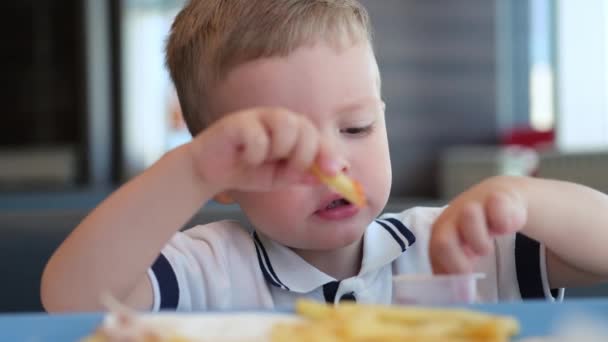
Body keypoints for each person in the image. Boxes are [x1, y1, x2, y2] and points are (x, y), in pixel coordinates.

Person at [41, 0, 608, 312]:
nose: (331, 165)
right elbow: (71, 300)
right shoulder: (207, 270)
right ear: (226, 179)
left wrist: (521, 199)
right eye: (286, 154)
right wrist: (190, 169)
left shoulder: (456, 248)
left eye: (357, 127)